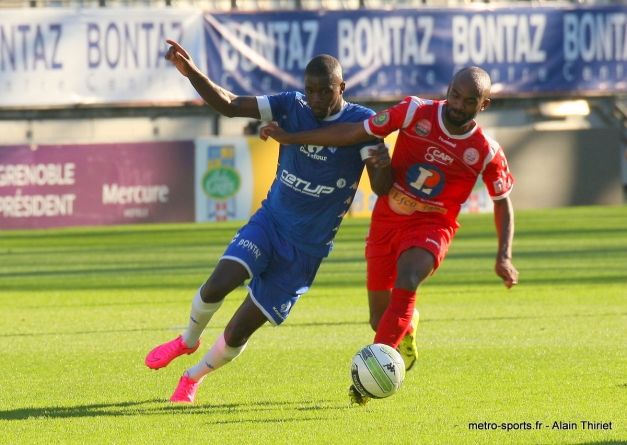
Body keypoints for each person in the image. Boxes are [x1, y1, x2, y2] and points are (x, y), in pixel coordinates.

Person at [144, 39, 392, 404]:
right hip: (271, 223)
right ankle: (186, 341)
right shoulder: (291, 105)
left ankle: (191, 378)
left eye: (326, 91)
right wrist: (192, 73)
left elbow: (382, 188)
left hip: (306, 250)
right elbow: (229, 105)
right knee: (216, 285)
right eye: (311, 91)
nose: (317, 99)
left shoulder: (362, 123)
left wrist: (378, 157)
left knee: (237, 331)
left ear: (342, 88)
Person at [260, 66, 519, 405]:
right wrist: (292, 138)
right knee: (378, 318)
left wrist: (503, 256)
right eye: (455, 95)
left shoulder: (485, 150)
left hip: (433, 226)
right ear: (448, 88)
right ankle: (406, 328)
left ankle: (368, 381)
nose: (458, 104)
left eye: (469, 101)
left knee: (409, 277)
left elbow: (503, 203)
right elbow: (355, 132)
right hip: (387, 222)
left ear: (483, 105)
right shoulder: (415, 111)